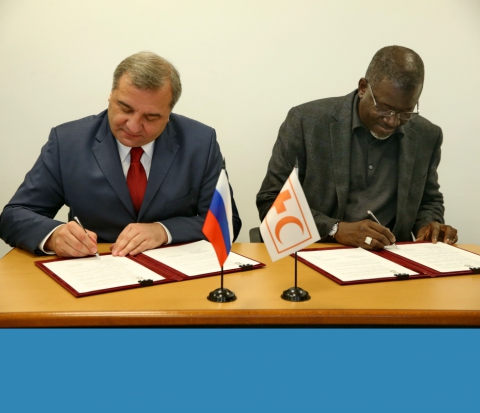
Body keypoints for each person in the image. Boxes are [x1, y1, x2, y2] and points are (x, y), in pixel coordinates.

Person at [0, 51, 241, 257]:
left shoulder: (200, 142)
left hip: (175, 279)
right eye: (125, 108)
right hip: (94, 271)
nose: (134, 126)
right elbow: (13, 216)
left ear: (169, 113)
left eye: (151, 117)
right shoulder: (67, 142)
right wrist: (53, 236)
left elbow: (226, 223)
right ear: (110, 96)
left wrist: (163, 231)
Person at [257, 45, 457, 250]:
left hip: (392, 261)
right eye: (384, 108)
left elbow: (428, 201)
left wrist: (429, 225)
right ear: (363, 88)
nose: (392, 121)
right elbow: (271, 202)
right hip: (319, 252)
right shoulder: (306, 122)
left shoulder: (427, 135)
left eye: (406, 112)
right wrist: (336, 229)